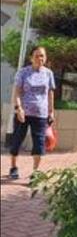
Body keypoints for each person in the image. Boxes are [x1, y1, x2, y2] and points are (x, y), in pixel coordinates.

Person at [8, 46, 56, 180]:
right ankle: (13, 167)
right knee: (17, 140)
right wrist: (19, 109)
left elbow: (50, 93)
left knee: (39, 143)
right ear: (31, 58)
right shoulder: (23, 72)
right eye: (37, 56)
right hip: (23, 114)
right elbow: (17, 92)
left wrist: (51, 112)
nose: (40, 58)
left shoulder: (48, 73)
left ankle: (35, 172)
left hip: (41, 114)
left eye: (42, 56)